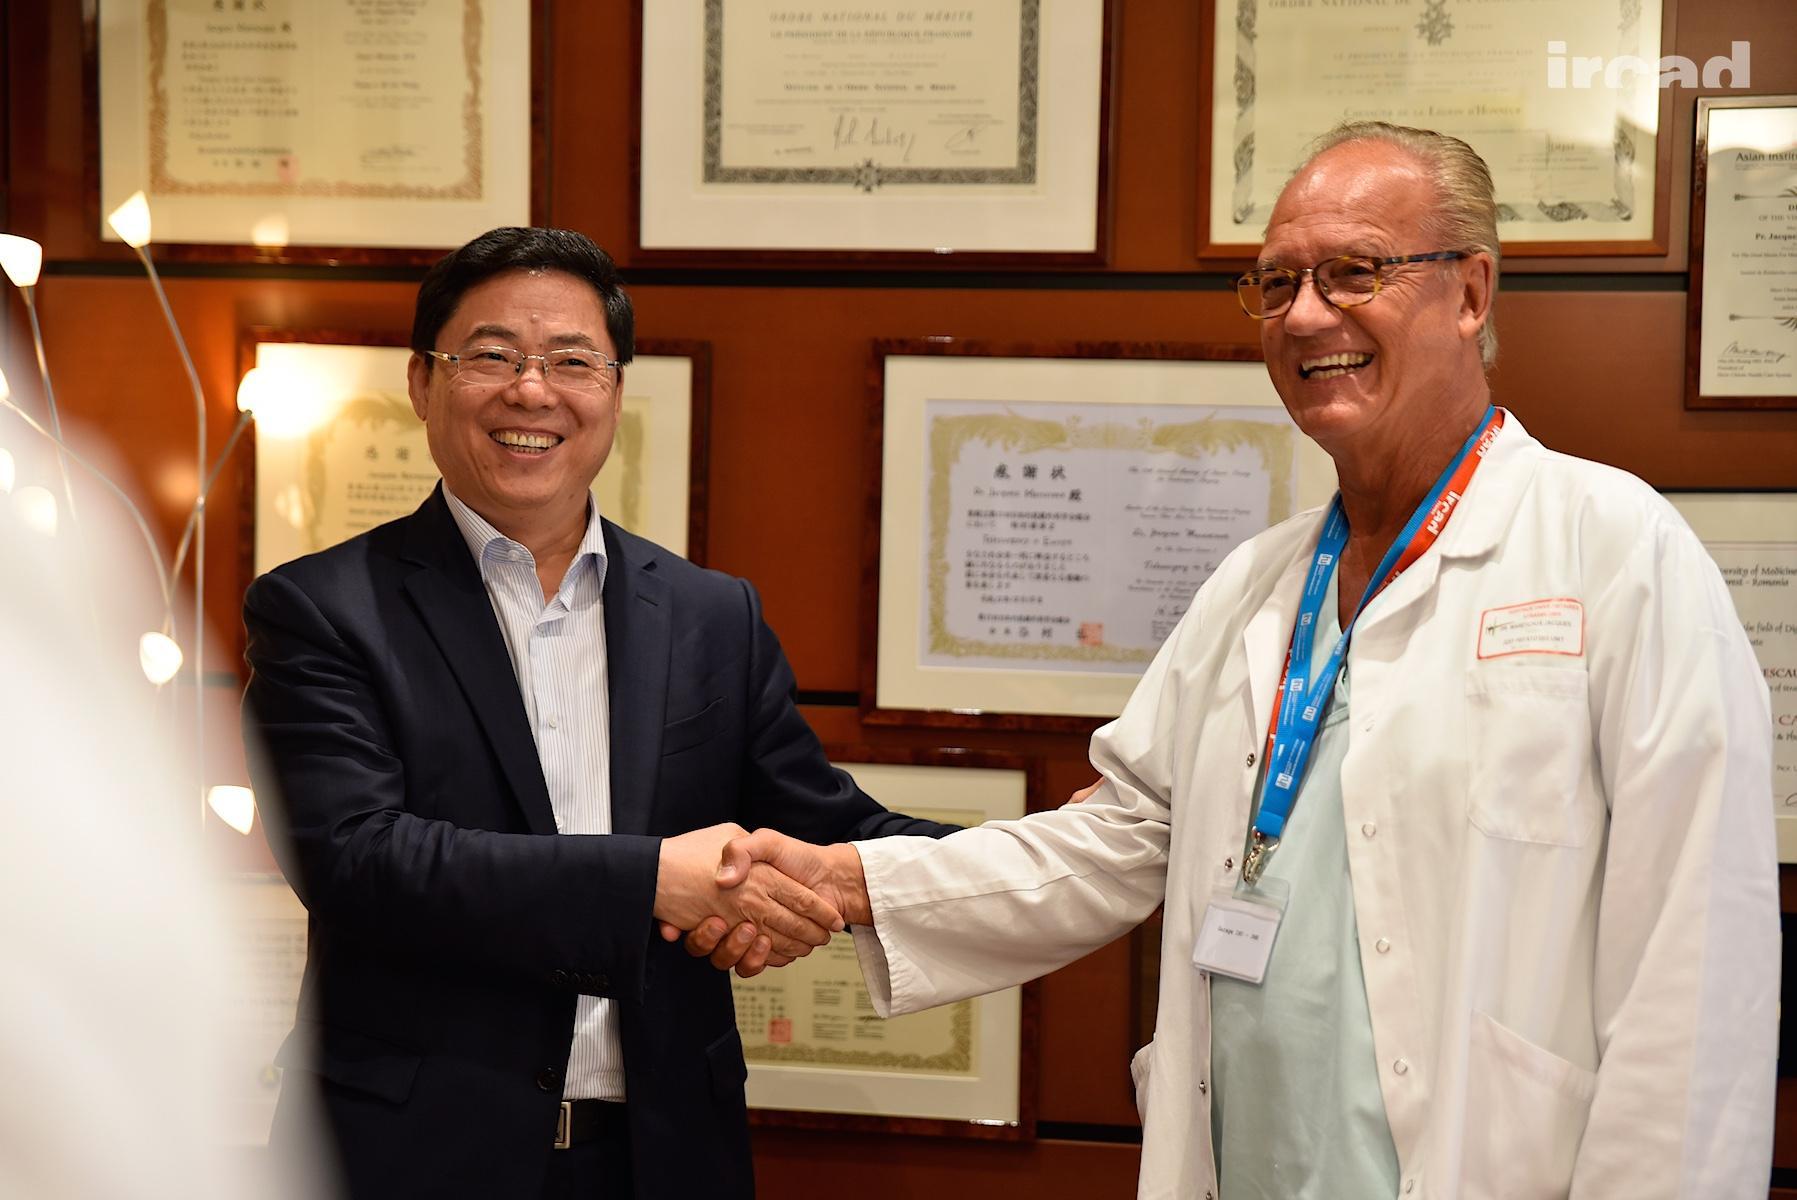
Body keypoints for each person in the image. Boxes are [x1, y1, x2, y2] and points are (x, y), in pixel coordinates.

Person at [692, 124, 1780, 1198]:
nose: (1305, 315)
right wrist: (849, 880)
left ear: (1471, 292)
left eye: (1354, 272)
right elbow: (1119, 838)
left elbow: (1696, 968)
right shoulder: (1257, 586)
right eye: (1277, 283)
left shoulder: (1613, 552)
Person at [241, 226, 953, 1199]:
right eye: (491, 356)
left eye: (573, 361)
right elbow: (359, 861)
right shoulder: (321, 608)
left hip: (662, 1156)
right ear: (421, 383)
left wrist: (1061, 849)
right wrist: (656, 881)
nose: (532, 391)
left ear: (615, 391)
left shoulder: (711, 615)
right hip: (413, 1154)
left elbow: (828, 828)